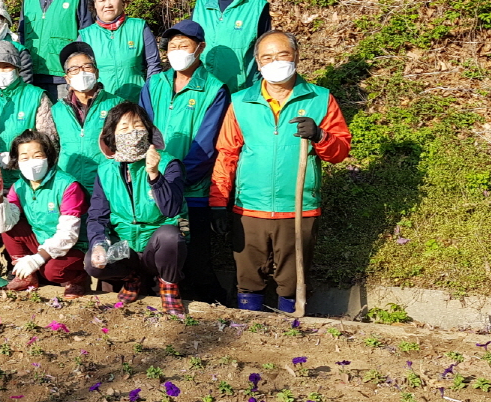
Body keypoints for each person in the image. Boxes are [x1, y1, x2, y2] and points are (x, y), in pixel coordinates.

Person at [210, 32, 352, 313]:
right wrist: (217, 202)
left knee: (292, 280)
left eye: (282, 55)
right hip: (250, 207)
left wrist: (320, 135)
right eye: (267, 57)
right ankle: (248, 326)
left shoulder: (320, 98)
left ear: (296, 56)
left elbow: (340, 152)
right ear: (258, 63)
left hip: (298, 209)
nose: (275, 62)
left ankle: (291, 327)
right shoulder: (241, 102)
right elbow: (227, 154)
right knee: (248, 279)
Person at [140, 19, 231, 305]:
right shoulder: (155, 83)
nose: (177, 51)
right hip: (155, 187)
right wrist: (156, 180)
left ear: (200, 48)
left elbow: (207, 145)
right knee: (161, 253)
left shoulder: (214, 89)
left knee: (196, 259)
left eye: (184, 45)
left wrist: (176, 183)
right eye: (172, 46)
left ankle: (213, 307)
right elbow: (143, 130)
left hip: (192, 191)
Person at [84, 103, 188, 315]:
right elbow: (97, 216)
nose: (132, 133)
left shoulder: (168, 164)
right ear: (113, 136)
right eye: (124, 128)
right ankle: (131, 278)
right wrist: (98, 245)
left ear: (148, 131)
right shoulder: (106, 171)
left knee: (171, 237)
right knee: (92, 262)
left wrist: (154, 175)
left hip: (155, 247)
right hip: (126, 248)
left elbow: (171, 209)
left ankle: (168, 286)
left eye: (138, 126)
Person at [0, 130, 90, 298]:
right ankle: (26, 276)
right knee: (11, 226)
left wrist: (38, 258)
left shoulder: (67, 185)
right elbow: (3, 225)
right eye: (24, 158)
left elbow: (69, 234)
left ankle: (77, 278)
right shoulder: (19, 187)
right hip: (42, 240)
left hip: (76, 246)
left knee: (52, 272)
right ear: (17, 161)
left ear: (48, 156)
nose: (31, 162)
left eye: (37, 156)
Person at [18, 0, 94, 101]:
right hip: (32, 78)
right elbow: (22, 35)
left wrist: (78, 75)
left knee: (64, 117)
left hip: (64, 79)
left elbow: (87, 36)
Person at [192, 0, 272, 93]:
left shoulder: (257, 5)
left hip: (242, 89)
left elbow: (266, 48)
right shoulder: (201, 5)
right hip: (205, 88)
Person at [0, 41, 56, 172]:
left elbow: (49, 140)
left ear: (17, 68)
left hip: (31, 175)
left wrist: (17, 158)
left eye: (6, 67)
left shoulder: (36, 96)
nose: (1, 72)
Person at [51, 42, 121, 193]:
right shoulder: (57, 110)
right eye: (74, 69)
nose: (81, 72)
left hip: (106, 184)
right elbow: (52, 148)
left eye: (87, 67)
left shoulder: (117, 104)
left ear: (96, 72)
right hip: (69, 185)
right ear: (67, 78)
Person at [77, 0, 163, 101]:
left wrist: (149, 94)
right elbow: (79, 72)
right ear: (95, 4)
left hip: (136, 101)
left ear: (122, 0)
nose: (108, 5)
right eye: (102, 0)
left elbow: (154, 65)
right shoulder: (86, 35)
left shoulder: (139, 27)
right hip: (102, 103)